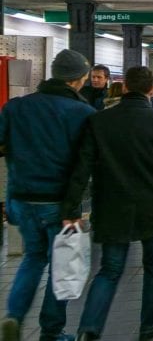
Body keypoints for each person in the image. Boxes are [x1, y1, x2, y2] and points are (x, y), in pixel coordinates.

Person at [62, 66, 153, 341]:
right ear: (152, 89)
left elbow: (81, 168)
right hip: (152, 205)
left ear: (122, 88)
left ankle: (89, 327)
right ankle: (150, 324)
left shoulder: (99, 121)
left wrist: (71, 208)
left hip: (110, 205)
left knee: (109, 270)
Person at [0, 49, 95, 341]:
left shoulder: (15, 107)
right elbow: (85, 162)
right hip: (59, 202)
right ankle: (52, 331)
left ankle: (14, 315)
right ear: (80, 79)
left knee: (33, 257)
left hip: (23, 197)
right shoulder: (83, 113)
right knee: (61, 266)